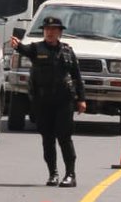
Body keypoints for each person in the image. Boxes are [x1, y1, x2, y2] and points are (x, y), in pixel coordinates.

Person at [11, 16, 86, 186]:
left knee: (64, 138)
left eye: (54, 29)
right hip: (43, 102)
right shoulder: (36, 49)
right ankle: (53, 173)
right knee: (47, 138)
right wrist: (16, 43)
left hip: (64, 101)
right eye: (47, 29)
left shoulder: (67, 51)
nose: (50, 32)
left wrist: (81, 99)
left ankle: (70, 174)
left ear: (60, 32)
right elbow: (22, 48)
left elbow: (77, 76)